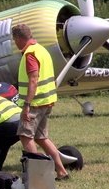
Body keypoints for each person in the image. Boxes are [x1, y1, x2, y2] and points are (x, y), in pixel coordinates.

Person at [12, 23, 69, 180]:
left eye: (14, 40)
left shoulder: (30, 54)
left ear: (18, 38)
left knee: (25, 137)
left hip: (35, 103)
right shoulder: (42, 50)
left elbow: (33, 80)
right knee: (41, 138)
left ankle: (39, 175)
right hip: (46, 101)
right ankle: (62, 171)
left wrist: (26, 106)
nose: (15, 43)